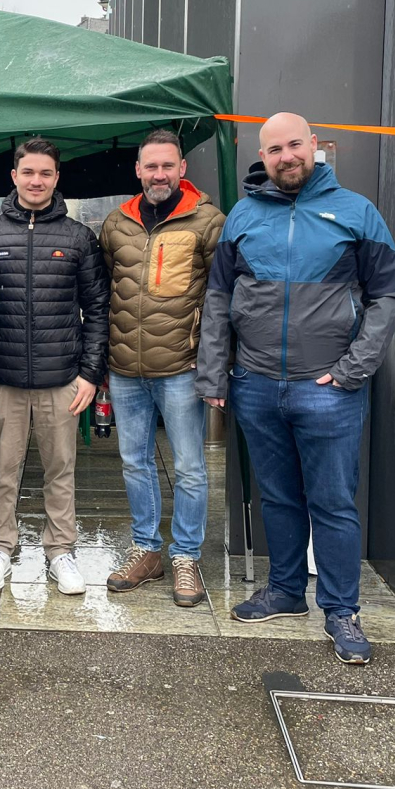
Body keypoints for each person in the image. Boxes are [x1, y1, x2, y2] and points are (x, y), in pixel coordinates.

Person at [196, 112, 395, 665]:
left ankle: (341, 610)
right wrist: (215, 372)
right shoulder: (243, 214)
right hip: (257, 384)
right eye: (274, 149)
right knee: (277, 496)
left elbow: (389, 297)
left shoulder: (357, 212)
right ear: (261, 157)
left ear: (315, 146)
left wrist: (353, 368)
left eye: (294, 145)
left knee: (333, 502)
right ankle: (286, 591)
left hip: (329, 387)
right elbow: (218, 298)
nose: (286, 156)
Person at [0, 137, 109, 596]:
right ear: (14, 176)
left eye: (45, 173)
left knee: (60, 469)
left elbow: (98, 308)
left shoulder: (78, 238)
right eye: (28, 172)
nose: (36, 180)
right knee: (2, 469)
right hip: (1, 379)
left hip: (62, 380)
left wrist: (90, 374)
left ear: (56, 178)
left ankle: (60, 551)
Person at [97, 129, 224, 605]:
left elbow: (221, 299)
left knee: (190, 467)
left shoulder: (208, 222)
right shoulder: (116, 224)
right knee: (134, 462)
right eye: (151, 166)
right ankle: (147, 549)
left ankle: (186, 556)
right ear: (138, 170)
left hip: (182, 368)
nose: (159, 174)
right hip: (126, 368)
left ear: (182, 169)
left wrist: (214, 366)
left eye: (167, 165)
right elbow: (106, 288)